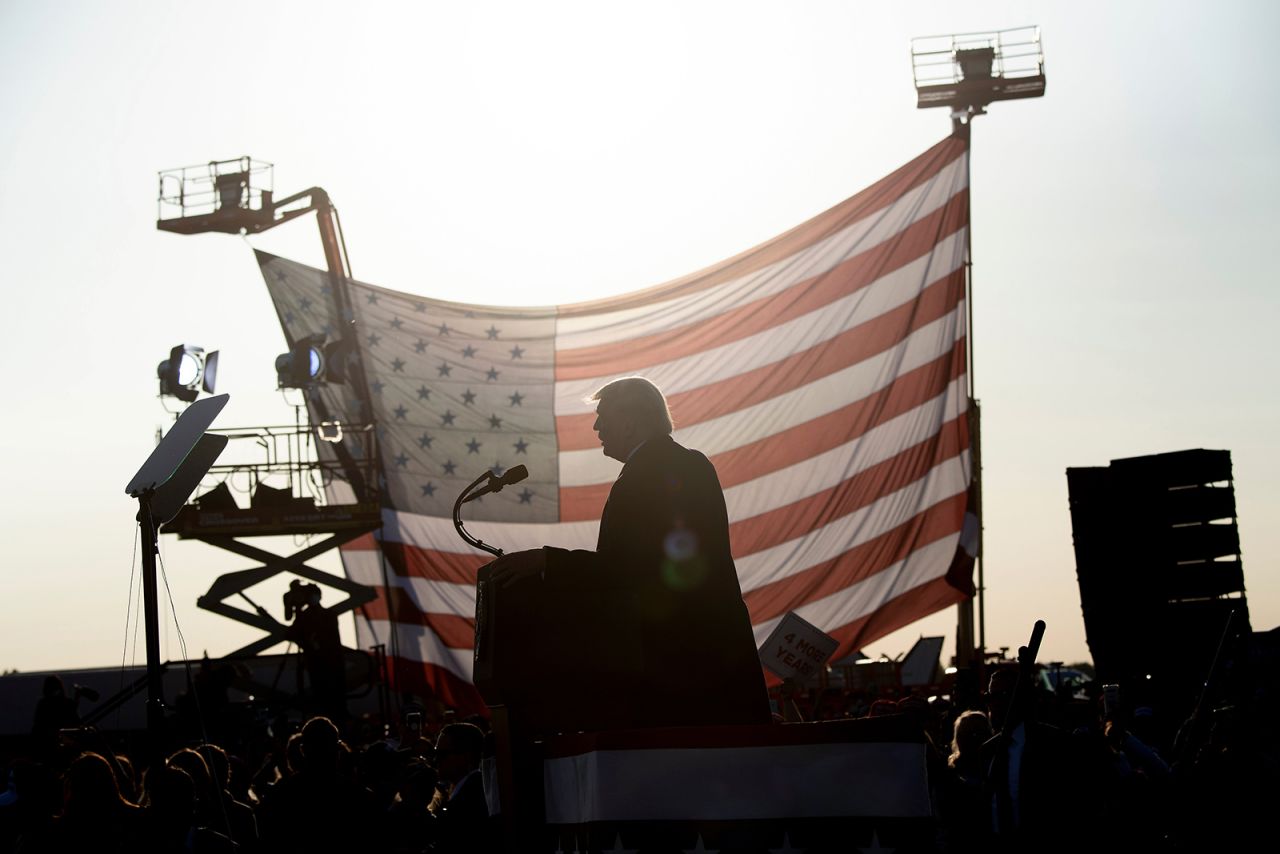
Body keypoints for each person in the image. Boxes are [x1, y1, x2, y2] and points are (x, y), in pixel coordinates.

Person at [489, 377, 770, 729]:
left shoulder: (665, 469)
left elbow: (640, 566)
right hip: (691, 667)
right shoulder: (659, 467)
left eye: (603, 414)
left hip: (691, 670)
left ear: (630, 420)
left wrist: (547, 561)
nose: (595, 425)